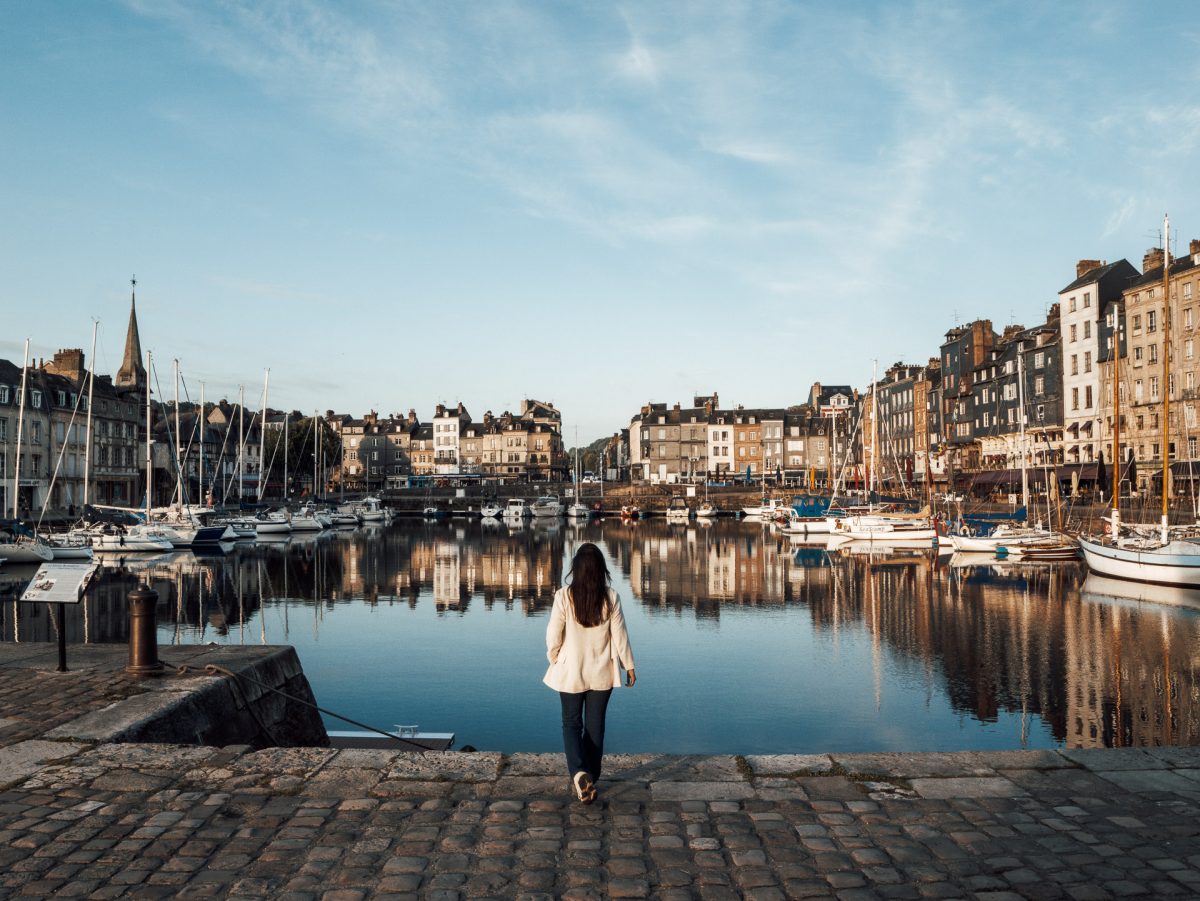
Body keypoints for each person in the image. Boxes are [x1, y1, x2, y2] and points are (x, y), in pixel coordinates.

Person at [544, 542, 636, 805]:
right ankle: (591, 775)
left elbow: (553, 634)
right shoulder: (611, 597)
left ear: (575, 569)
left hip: (570, 670)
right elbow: (620, 635)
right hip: (601, 671)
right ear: (600, 569)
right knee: (595, 726)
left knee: (571, 724)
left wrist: (554, 658)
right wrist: (629, 665)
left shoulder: (564, 596)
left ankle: (578, 772)